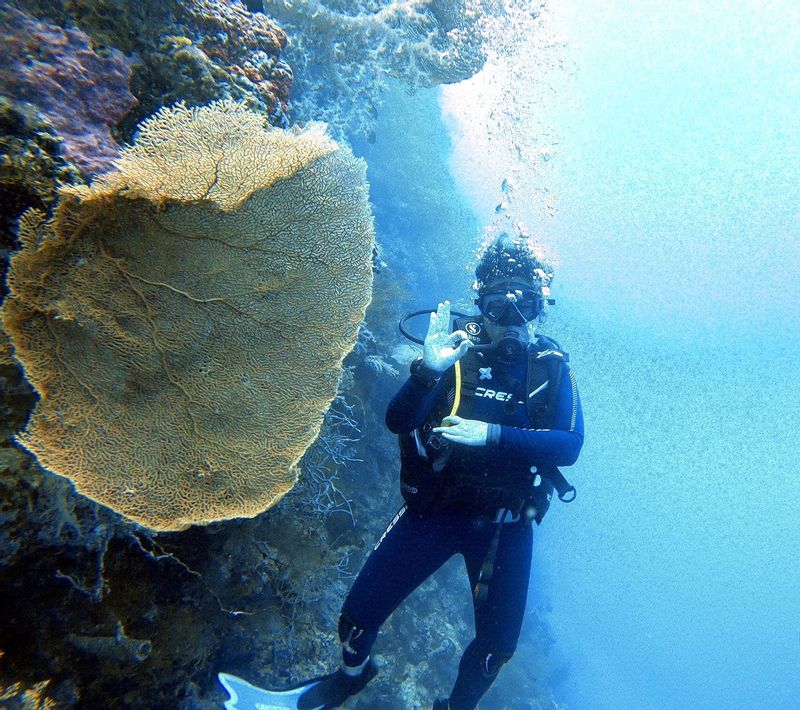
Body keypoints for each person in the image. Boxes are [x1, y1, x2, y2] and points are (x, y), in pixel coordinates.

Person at [218, 232, 584, 710]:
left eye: (527, 307)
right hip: (437, 510)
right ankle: (349, 679)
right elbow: (399, 420)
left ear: (541, 308)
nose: (512, 323)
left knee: (496, 651)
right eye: (498, 309)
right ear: (480, 306)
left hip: (506, 527)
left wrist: (489, 434)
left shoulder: (551, 366)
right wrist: (427, 371)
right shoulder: (455, 352)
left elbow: (569, 445)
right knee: (355, 618)